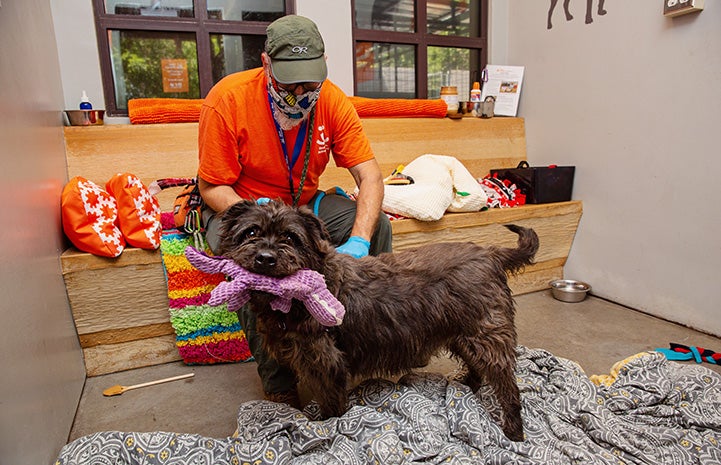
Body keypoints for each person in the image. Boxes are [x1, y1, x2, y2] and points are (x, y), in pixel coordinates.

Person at [196, 15, 393, 406]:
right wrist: (255, 215)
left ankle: (361, 338)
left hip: (303, 203)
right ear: (267, 64)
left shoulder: (332, 100)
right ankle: (278, 377)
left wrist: (358, 240)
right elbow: (211, 185)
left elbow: (370, 178)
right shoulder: (227, 100)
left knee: (379, 226)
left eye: (310, 83)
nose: (301, 93)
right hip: (242, 204)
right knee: (249, 258)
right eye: (290, 84)